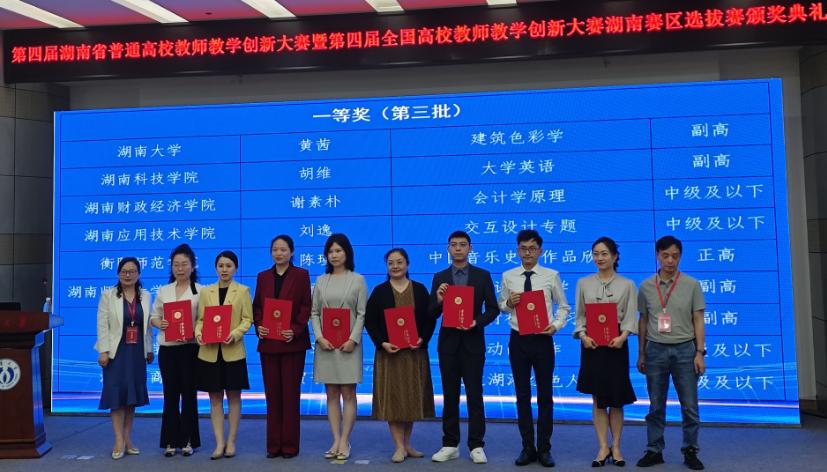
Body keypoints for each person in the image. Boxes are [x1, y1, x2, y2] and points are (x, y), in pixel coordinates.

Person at [498, 229, 569, 468]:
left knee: (545, 395)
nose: (527, 253)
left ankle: (544, 448)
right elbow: (502, 305)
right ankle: (527, 447)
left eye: (532, 249)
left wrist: (556, 325)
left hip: (542, 340)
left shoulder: (551, 275)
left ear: (540, 251)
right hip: (518, 339)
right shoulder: (508, 276)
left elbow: (564, 306)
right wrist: (509, 303)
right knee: (522, 395)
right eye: (523, 248)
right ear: (517, 250)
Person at [636, 236, 706, 471]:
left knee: (689, 406)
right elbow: (643, 320)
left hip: (685, 350)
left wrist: (700, 352)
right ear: (657, 255)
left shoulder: (692, 284)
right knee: (656, 405)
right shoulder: (646, 286)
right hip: (655, 349)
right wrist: (641, 354)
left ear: (680, 257)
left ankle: (690, 450)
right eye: (665, 255)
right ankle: (654, 450)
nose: (670, 260)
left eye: (675, 256)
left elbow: (698, 319)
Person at [430, 230, 499, 464]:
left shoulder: (482, 276)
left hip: (473, 344)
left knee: (474, 395)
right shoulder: (440, 277)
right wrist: (439, 300)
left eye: (462, 244)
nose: (458, 248)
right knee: (450, 396)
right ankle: (450, 444)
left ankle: (476, 445)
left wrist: (476, 322)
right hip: (448, 345)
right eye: (453, 245)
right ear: (448, 248)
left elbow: (493, 309)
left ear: (470, 248)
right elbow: (431, 312)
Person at [365, 248, 436, 463]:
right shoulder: (380, 291)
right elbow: (370, 321)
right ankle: (398, 446)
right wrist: (382, 343)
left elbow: (430, 318)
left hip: (414, 354)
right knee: (394, 400)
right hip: (390, 355)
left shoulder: (420, 289)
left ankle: (407, 444)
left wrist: (422, 339)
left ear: (407, 264)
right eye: (391, 263)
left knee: (411, 399)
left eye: (399, 262)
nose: (395, 266)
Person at [572, 237, 637, 467]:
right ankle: (602, 447)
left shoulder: (627, 284)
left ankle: (616, 447)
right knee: (598, 398)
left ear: (615, 256)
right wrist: (583, 336)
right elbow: (579, 316)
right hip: (592, 345)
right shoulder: (583, 283)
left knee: (617, 399)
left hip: (616, 344)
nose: (599, 258)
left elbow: (630, 316)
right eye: (596, 254)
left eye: (604, 253)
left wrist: (623, 336)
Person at [253, 235, 312, 458]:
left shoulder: (301, 275)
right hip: (269, 344)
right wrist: (259, 325)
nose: (279, 253)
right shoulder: (263, 276)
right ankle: (273, 446)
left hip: (292, 344)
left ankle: (289, 446)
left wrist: (295, 330)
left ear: (292, 252)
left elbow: (306, 306)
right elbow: (257, 307)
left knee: (290, 396)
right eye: (275, 249)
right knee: (273, 396)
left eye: (283, 249)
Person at [310, 233, 367, 461]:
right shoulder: (321, 281)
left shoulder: (358, 280)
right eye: (330, 251)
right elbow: (314, 312)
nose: (334, 255)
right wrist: (319, 337)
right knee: (331, 394)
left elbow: (362, 313)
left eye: (338, 251)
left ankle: (345, 440)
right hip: (326, 346)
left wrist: (353, 339)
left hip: (348, 346)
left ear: (347, 253)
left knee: (348, 394)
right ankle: (335, 439)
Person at [194, 250, 253, 460]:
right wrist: (198, 333)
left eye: (228, 266)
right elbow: (200, 320)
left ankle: (231, 441)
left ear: (235, 268)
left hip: (233, 351)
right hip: (210, 352)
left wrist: (235, 334)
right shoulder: (206, 292)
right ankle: (219, 443)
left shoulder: (243, 291)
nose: (224, 269)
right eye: (221, 266)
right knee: (215, 398)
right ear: (216, 268)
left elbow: (247, 319)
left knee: (234, 397)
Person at [95, 257, 154, 460]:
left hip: (137, 352)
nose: (127, 275)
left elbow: (147, 327)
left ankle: (128, 438)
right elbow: (102, 325)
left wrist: (149, 349)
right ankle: (118, 440)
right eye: (124, 271)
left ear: (139, 274)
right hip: (116, 353)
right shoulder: (108, 295)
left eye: (132, 271)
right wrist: (103, 351)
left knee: (131, 397)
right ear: (118, 273)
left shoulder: (146, 295)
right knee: (116, 396)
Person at [150, 244, 202, 457]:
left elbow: (203, 320)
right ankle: (170, 440)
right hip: (168, 350)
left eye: (184, 264)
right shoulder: (164, 290)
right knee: (170, 395)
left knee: (189, 395)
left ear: (193, 266)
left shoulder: (201, 291)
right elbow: (154, 316)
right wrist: (160, 323)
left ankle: (188, 440)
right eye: (176, 265)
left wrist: (194, 332)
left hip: (190, 349)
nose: (180, 269)